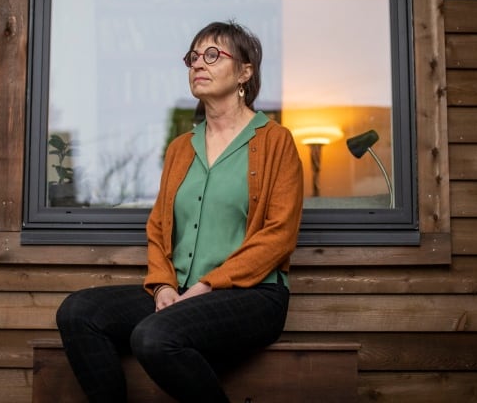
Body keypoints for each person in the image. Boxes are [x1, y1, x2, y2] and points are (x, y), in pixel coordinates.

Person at [56, 20, 304, 402]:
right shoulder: (180, 148)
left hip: (253, 296)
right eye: (192, 57)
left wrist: (207, 285)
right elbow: (158, 228)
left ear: (245, 72)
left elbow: (279, 234)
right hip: (182, 291)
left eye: (211, 55)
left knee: (154, 336)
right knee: (78, 312)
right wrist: (164, 286)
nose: (197, 65)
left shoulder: (275, 141)